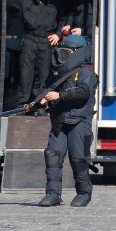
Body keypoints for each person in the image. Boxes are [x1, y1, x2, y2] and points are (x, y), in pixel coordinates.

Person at [38, 34, 98, 207]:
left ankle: (84, 192)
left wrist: (60, 95)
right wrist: (43, 99)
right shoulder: (57, 72)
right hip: (59, 119)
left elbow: (83, 92)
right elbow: (47, 87)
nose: (62, 56)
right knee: (52, 155)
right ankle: (53, 193)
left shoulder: (86, 71)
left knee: (78, 157)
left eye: (66, 53)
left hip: (78, 120)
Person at [5, 0, 61, 109]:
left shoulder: (55, 4)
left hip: (46, 43)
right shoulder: (26, 1)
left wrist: (58, 34)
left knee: (43, 78)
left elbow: (65, 17)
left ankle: (39, 106)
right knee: (25, 76)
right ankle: (21, 107)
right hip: (29, 42)